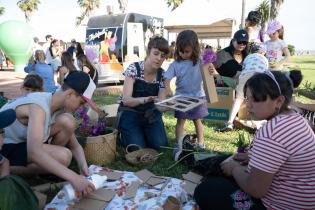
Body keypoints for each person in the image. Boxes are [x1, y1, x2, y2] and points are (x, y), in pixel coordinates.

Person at [193, 70, 314, 210]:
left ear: (279, 101)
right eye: (247, 98)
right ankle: (193, 159)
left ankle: (195, 163)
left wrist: (234, 170)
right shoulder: (295, 117)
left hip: (278, 206)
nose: (248, 104)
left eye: (255, 99)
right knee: (226, 160)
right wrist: (253, 156)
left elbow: (256, 190)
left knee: (205, 190)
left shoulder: (271, 133)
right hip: (303, 200)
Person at [0, 71, 97, 197]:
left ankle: (47, 168)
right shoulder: (39, 106)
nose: (81, 108)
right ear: (70, 94)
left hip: (20, 143)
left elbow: (75, 145)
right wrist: (73, 177)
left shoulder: (55, 103)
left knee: (68, 122)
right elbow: (34, 152)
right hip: (5, 145)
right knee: (63, 156)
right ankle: (10, 170)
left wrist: (84, 167)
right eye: (81, 103)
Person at [117, 36, 169, 151]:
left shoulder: (162, 75)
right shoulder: (134, 68)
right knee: (137, 149)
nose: (159, 58)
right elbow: (126, 100)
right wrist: (144, 99)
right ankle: (125, 135)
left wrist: (170, 104)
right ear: (148, 52)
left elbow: (160, 105)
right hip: (131, 113)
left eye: (163, 56)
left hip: (150, 115)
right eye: (156, 53)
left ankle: (143, 134)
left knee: (161, 146)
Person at [164, 30, 208, 156]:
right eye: (180, 51)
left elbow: (211, 70)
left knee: (197, 120)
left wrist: (211, 68)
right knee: (180, 121)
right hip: (181, 98)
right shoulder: (175, 64)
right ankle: (178, 144)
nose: (183, 54)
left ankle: (201, 144)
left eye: (187, 51)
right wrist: (168, 88)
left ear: (194, 48)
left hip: (198, 97)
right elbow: (166, 78)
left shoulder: (201, 61)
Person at [218, 43, 269, 132]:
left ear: (251, 51)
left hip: (244, 76)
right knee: (258, 100)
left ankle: (229, 123)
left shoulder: (248, 58)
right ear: (263, 52)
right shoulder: (264, 59)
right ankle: (257, 123)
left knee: (238, 99)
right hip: (259, 77)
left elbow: (244, 69)